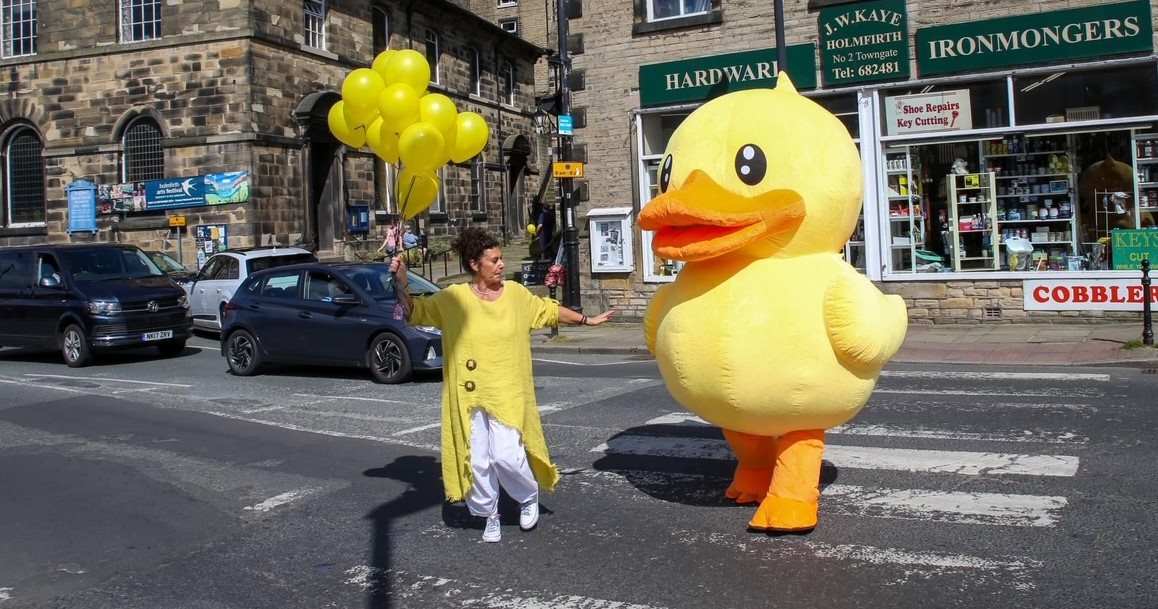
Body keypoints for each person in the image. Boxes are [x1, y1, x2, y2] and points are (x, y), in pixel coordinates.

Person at [390, 227, 613, 542]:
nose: (500, 265)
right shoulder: (453, 298)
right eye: (493, 260)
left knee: (506, 455)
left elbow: (547, 311)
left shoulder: (516, 295)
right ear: (473, 264)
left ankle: (527, 496)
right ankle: (489, 514)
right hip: (468, 392)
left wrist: (587, 320)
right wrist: (401, 281)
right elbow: (414, 311)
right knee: (477, 459)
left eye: (499, 259)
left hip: (506, 389)